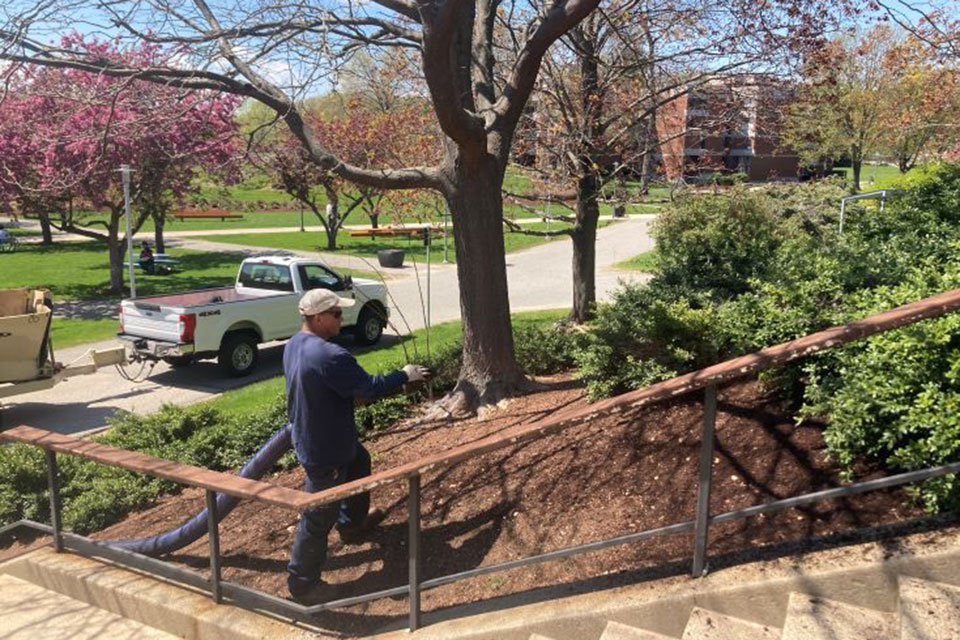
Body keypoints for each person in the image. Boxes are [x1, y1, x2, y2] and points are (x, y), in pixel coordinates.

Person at [284, 288, 428, 604]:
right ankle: (303, 584)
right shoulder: (331, 355)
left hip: (321, 438)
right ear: (318, 318)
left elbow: (339, 389)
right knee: (318, 515)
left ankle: (352, 525)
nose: (342, 317)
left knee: (360, 462)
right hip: (326, 450)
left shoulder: (295, 345)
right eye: (336, 314)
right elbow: (369, 387)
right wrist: (404, 376)